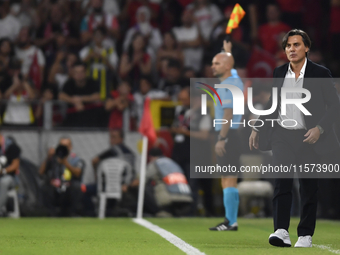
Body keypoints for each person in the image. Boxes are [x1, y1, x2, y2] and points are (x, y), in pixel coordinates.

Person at [249, 29, 340, 247]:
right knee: (282, 180)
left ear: (306, 48)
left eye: (297, 45)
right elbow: (273, 104)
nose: (292, 49)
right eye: (288, 46)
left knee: (308, 186)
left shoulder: (320, 73)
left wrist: (320, 128)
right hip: (282, 135)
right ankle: (280, 230)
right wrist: (257, 127)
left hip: (309, 137)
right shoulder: (279, 72)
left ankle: (305, 234)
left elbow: (335, 105)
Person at [209, 40, 243, 231]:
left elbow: (228, 113)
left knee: (229, 177)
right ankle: (230, 219)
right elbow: (233, 68)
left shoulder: (228, 86)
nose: (213, 66)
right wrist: (227, 52)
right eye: (213, 63)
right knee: (227, 177)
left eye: (217, 63)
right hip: (231, 133)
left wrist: (221, 138)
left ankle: (231, 221)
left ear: (227, 66)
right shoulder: (234, 79)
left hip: (227, 133)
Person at [39, 137, 85, 216]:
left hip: (69, 187)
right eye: (61, 146)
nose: (64, 149)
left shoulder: (75, 159)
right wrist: (48, 157)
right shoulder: (54, 158)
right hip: (55, 187)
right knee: (44, 186)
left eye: (66, 146)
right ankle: (50, 213)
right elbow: (40, 173)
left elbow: (78, 173)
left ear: (70, 147)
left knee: (77, 187)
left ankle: (72, 213)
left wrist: (65, 162)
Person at [144, 148, 192, 216]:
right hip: (187, 198)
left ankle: (160, 211)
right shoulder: (173, 162)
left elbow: (142, 179)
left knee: (147, 186)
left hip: (169, 198)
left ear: (151, 157)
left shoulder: (156, 163)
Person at [80, 26, 118, 100]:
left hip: (105, 78)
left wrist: (103, 58)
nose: (98, 37)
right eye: (96, 35)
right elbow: (80, 62)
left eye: (100, 35)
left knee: (105, 97)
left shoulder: (109, 50)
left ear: (104, 37)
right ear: (93, 37)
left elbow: (114, 67)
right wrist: (90, 56)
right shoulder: (89, 48)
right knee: (91, 96)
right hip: (90, 76)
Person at [59, 61, 102, 127]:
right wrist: (73, 101)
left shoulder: (92, 82)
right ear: (73, 73)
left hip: (91, 121)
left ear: (85, 72)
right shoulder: (69, 83)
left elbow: (98, 96)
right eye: (76, 72)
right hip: (72, 121)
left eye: (81, 72)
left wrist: (80, 99)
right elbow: (61, 96)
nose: (79, 74)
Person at [0, 134, 21, 216]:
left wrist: (3, 171)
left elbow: (15, 165)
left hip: (10, 178)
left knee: (4, 181)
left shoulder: (11, 147)